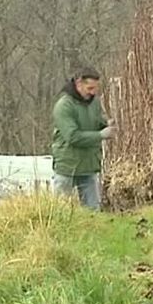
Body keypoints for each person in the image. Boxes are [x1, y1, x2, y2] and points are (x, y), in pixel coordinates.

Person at [50, 66, 116, 210]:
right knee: (61, 211)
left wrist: (106, 124)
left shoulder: (94, 102)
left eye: (95, 89)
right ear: (78, 83)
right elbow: (72, 136)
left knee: (93, 211)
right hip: (67, 167)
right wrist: (101, 135)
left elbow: (96, 122)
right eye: (90, 88)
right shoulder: (64, 106)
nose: (93, 92)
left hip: (89, 165)